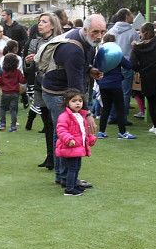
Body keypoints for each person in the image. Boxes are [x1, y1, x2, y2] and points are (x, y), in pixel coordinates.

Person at [40, 14, 106, 187]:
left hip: (59, 90)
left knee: (61, 134)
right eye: (95, 32)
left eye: (102, 32)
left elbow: (79, 68)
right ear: (85, 30)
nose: (99, 36)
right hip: (56, 93)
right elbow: (75, 87)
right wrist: (88, 113)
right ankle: (66, 178)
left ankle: (62, 176)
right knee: (65, 134)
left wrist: (90, 69)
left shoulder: (86, 42)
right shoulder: (75, 49)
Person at [26, 13, 64, 164]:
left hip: (54, 85)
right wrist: (29, 61)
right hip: (39, 84)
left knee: (56, 123)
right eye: (39, 21)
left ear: (53, 25)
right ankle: (50, 156)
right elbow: (29, 66)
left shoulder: (59, 42)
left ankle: (57, 157)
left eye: (44, 22)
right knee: (47, 122)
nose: (40, 24)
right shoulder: (35, 42)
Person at [55, 89, 96, 196]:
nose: (78, 103)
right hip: (69, 147)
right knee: (72, 168)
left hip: (77, 147)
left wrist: (90, 138)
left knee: (76, 167)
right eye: (74, 101)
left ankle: (73, 185)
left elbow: (83, 131)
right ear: (67, 102)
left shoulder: (80, 115)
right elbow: (61, 130)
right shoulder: (64, 116)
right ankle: (69, 189)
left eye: (80, 101)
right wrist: (69, 139)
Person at [95, 34, 135, 140]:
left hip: (103, 84)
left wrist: (99, 82)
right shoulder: (116, 54)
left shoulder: (100, 54)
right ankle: (122, 132)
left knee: (105, 109)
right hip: (115, 84)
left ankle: (101, 131)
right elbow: (129, 65)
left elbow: (95, 69)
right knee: (120, 108)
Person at [0, 53, 25, 132]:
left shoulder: (2, 72)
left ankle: (2, 124)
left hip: (5, 93)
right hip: (15, 93)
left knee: (2, 108)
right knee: (13, 110)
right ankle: (13, 126)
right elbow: (22, 81)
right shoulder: (17, 72)